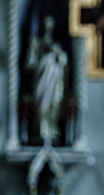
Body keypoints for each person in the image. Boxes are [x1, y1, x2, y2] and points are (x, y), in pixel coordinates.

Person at [27, 16, 68, 144]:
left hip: (55, 80)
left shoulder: (57, 45)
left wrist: (56, 53)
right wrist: (33, 48)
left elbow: (64, 62)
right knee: (42, 104)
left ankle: (52, 129)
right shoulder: (37, 42)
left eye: (50, 24)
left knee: (53, 105)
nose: (48, 27)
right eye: (45, 24)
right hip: (42, 79)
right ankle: (40, 129)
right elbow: (30, 64)